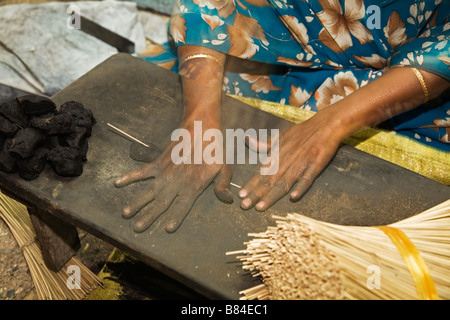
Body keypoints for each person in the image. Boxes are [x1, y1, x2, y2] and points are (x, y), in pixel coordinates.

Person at [115, 0, 450, 233]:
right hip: (284, 40)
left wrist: (332, 124)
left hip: (418, 74)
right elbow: (206, 7)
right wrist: (199, 122)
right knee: (204, 86)